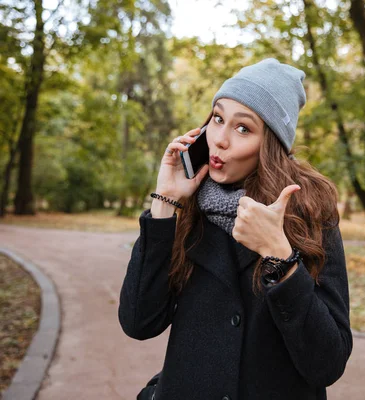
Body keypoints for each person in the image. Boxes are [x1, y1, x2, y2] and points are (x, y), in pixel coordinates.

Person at [118, 58, 352, 400]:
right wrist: (165, 202)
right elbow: (139, 322)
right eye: (217, 118)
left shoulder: (309, 215)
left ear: (270, 145)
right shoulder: (188, 209)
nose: (220, 140)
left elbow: (327, 364)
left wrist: (281, 259)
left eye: (243, 128)